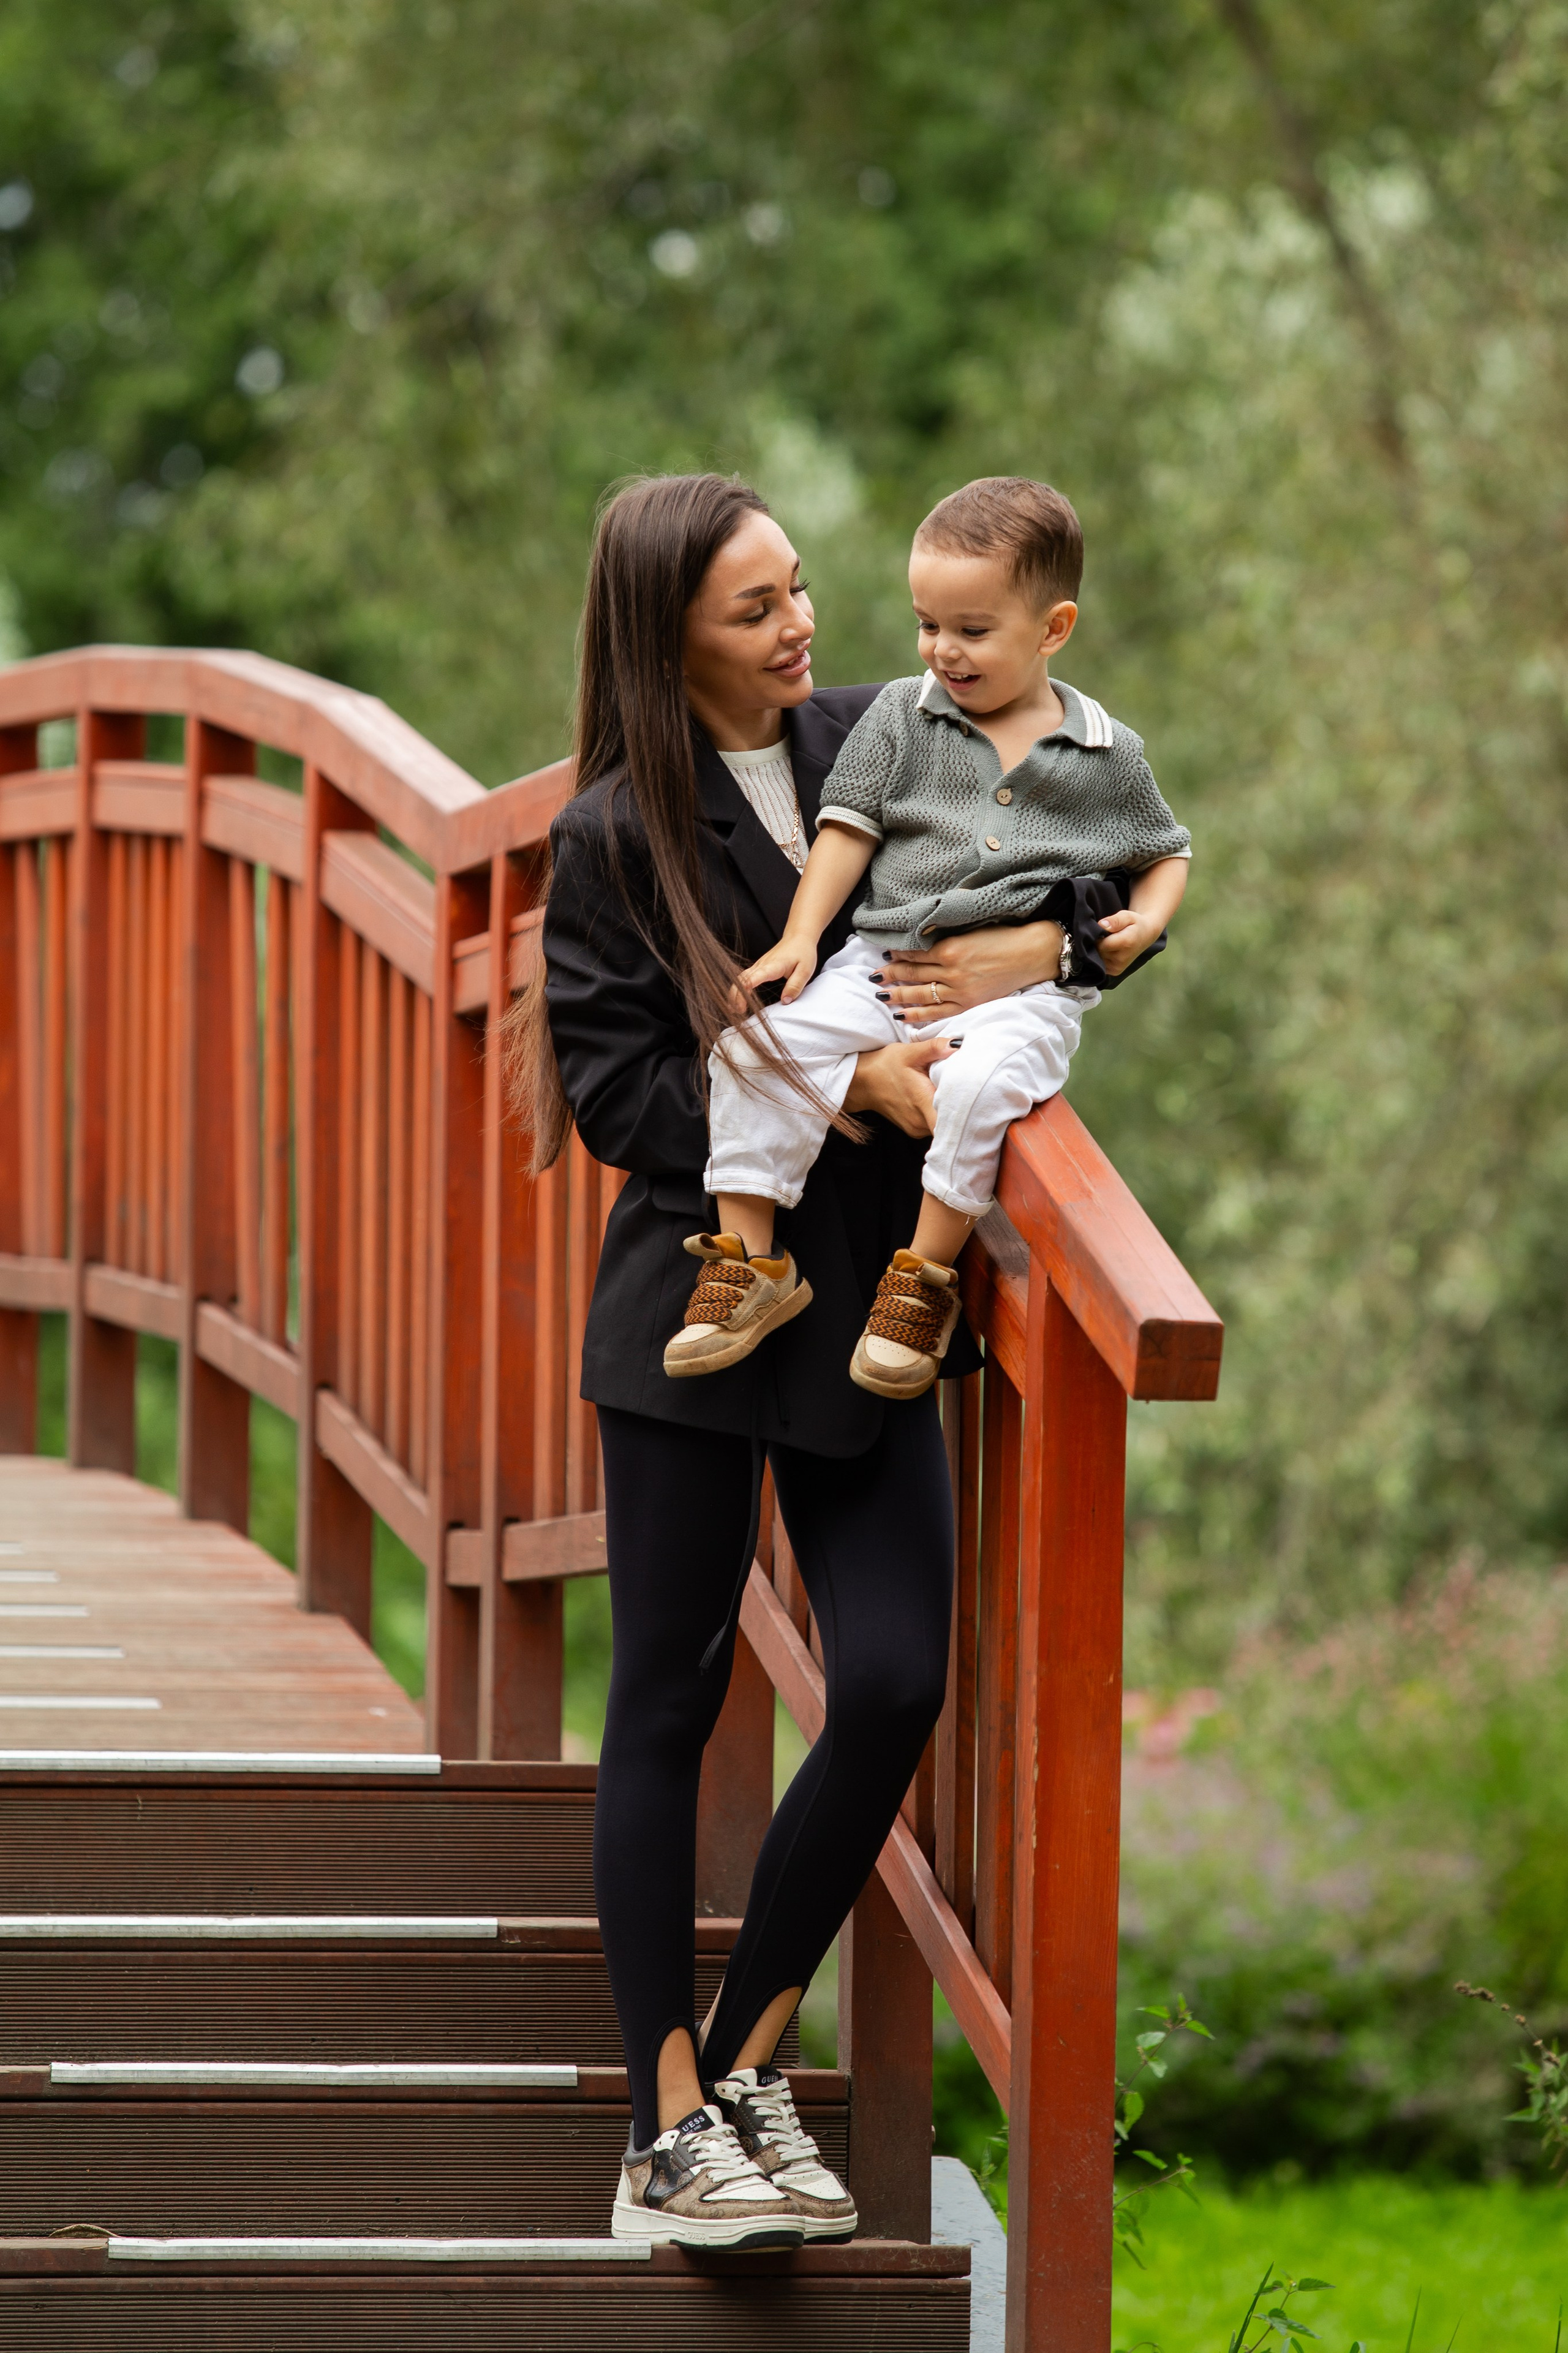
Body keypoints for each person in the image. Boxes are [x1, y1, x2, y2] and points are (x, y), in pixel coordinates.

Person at [521, 472, 1098, 2251]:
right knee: (669, 1697)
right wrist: (843, 1079)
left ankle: (751, 2058)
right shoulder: (612, 835)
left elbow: (1085, 842)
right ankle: (663, 2122)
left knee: (897, 1678)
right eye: (757, 606)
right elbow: (620, 1096)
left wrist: (1047, 946)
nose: (804, 626)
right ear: (670, 634)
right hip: (701, 1303)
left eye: (798, 589)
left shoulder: (899, 731)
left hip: (872, 1316)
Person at [665, 477, 1191, 1402]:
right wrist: (802, 936)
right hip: (883, 962)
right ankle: (748, 1261)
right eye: (926, 624)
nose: (943, 649)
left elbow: (1165, 851)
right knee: (751, 1049)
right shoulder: (904, 716)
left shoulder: (1107, 753)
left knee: (980, 1086)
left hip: (1026, 998)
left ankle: (923, 1276)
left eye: (971, 630)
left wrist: (1145, 920)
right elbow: (848, 826)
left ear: (1054, 629)